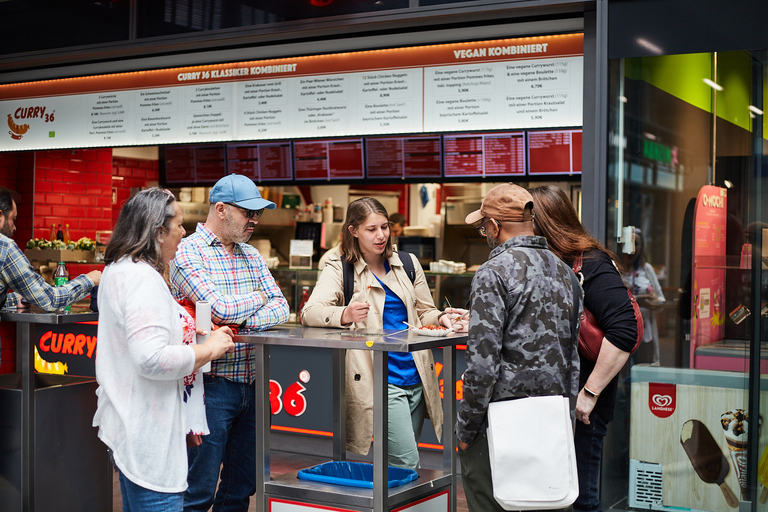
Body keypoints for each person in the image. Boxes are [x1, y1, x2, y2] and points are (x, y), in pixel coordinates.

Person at [93, 188, 235, 512]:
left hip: (132, 424)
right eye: (179, 226)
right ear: (158, 231)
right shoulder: (144, 279)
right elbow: (152, 359)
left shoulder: (118, 269)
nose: (184, 233)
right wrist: (210, 349)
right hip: (148, 438)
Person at [301, 197, 466, 469]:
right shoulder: (340, 267)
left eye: (385, 227)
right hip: (380, 378)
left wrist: (444, 317)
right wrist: (345, 314)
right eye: (371, 229)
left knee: (397, 468)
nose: (381, 236)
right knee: (407, 462)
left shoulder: (407, 262)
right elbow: (310, 313)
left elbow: (424, 313)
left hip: (416, 374)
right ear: (353, 231)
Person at [456, 183, 581, 512]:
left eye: (484, 226)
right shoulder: (566, 273)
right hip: (551, 423)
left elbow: (482, 366)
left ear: (494, 227)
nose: (485, 233)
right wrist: (565, 421)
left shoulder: (493, 273)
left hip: (498, 424)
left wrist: (466, 428)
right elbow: (573, 359)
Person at [169, 173, 290, 512]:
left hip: (251, 384)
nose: (254, 220)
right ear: (220, 209)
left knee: (241, 489)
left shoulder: (251, 254)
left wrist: (239, 320)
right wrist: (256, 298)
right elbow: (217, 308)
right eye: (247, 212)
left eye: (258, 213)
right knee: (198, 490)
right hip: (209, 388)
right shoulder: (187, 252)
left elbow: (281, 306)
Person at [529, 185, 638, 512]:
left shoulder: (591, 263)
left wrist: (589, 394)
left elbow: (625, 331)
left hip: (583, 406)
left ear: (542, 222)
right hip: (551, 402)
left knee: (582, 500)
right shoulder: (546, 261)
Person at [0, 186, 100, 311]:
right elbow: (50, 300)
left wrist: (23, 297)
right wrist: (89, 280)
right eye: (12, 219)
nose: (14, 227)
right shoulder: (5, 247)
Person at [621, 228, 665, 365]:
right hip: (622, 329)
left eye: (636, 244)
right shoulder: (617, 269)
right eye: (629, 243)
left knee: (643, 369)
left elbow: (661, 300)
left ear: (641, 247)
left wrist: (653, 302)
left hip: (645, 332)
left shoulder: (646, 268)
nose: (632, 248)